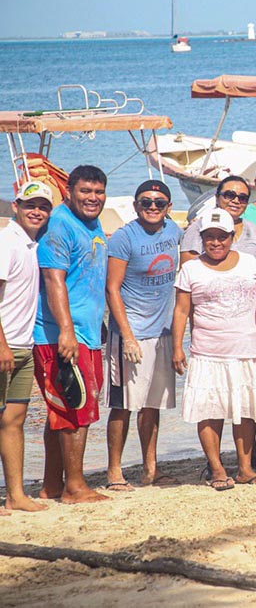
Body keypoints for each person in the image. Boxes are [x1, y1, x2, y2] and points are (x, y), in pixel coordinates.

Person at [172, 208, 256, 491]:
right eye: (210, 237)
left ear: (232, 237)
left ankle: (245, 468)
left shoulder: (250, 263)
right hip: (208, 352)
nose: (216, 243)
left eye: (222, 237)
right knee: (209, 410)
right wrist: (177, 348)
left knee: (246, 409)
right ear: (202, 238)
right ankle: (216, 468)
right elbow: (181, 311)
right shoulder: (190, 269)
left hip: (247, 348)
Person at [33, 165, 110, 503]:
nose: (93, 198)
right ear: (68, 191)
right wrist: (66, 331)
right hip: (60, 334)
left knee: (61, 410)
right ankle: (75, 487)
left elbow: (87, 275)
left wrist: (98, 321)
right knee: (76, 406)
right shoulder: (60, 225)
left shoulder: (91, 222)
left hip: (85, 330)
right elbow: (54, 280)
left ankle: (52, 484)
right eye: (85, 191)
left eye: (98, 192)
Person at [104, 180, 182, 491]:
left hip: (162, 332)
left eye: (159, 202)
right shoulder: (124, 238)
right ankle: (114, 472)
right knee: (123, 404)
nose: (152, 207)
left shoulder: (173, 230)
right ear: (136, 206)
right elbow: (112, 288)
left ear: (168, 207)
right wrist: (127, 336)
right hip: (131, 333)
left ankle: (151, 469)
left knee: (152, 404)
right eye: (146, 202)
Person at [0, 181, 53, 512]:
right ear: (16, 206)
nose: (37, 211)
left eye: (43, 207)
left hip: (24, 345)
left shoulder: (32, 245)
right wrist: (2, 345)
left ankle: (15, 495)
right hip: (5, 345)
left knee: (14, 421)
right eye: (30, 205)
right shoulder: (6, 242)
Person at [180, 175, 256, 264]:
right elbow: (188, 267)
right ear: (217, 197)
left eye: (242, 198)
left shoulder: (252, 229)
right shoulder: (198, 227)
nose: (236, 201)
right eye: (230, 195)